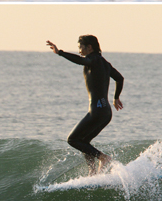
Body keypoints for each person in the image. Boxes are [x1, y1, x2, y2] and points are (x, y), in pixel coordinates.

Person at [46, 35, 124, 174]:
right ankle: (92, 172)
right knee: (84, 142)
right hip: (106, 112)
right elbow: (119, 78)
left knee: (72, 139)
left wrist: (60, 52)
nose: (79, 51)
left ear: (89, 47)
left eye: (80, 47)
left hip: (97, 111)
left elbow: (80, 61)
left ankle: (103, 158)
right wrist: (116, 98)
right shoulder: (105, 63)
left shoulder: (93, 60)